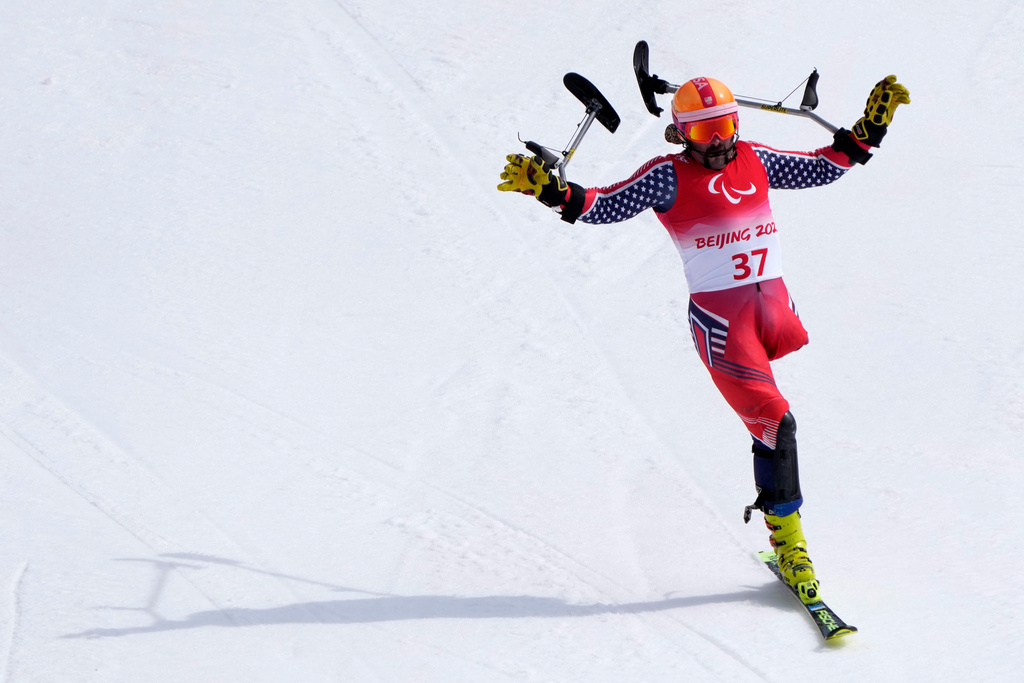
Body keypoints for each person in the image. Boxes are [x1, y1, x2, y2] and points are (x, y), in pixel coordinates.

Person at [498, 74, 910, 603]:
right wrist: (552, 191)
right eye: (703, 132)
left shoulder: (755, 159)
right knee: (777, 424)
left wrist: (870, 129)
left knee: (770, 427)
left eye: (725, 127)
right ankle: (791, 544)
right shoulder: (666, 177)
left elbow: (822, 167)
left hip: (774, 311)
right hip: (724, 326)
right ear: (680, 135)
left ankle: (780, 508)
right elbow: (601, 204)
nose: (717, 141)